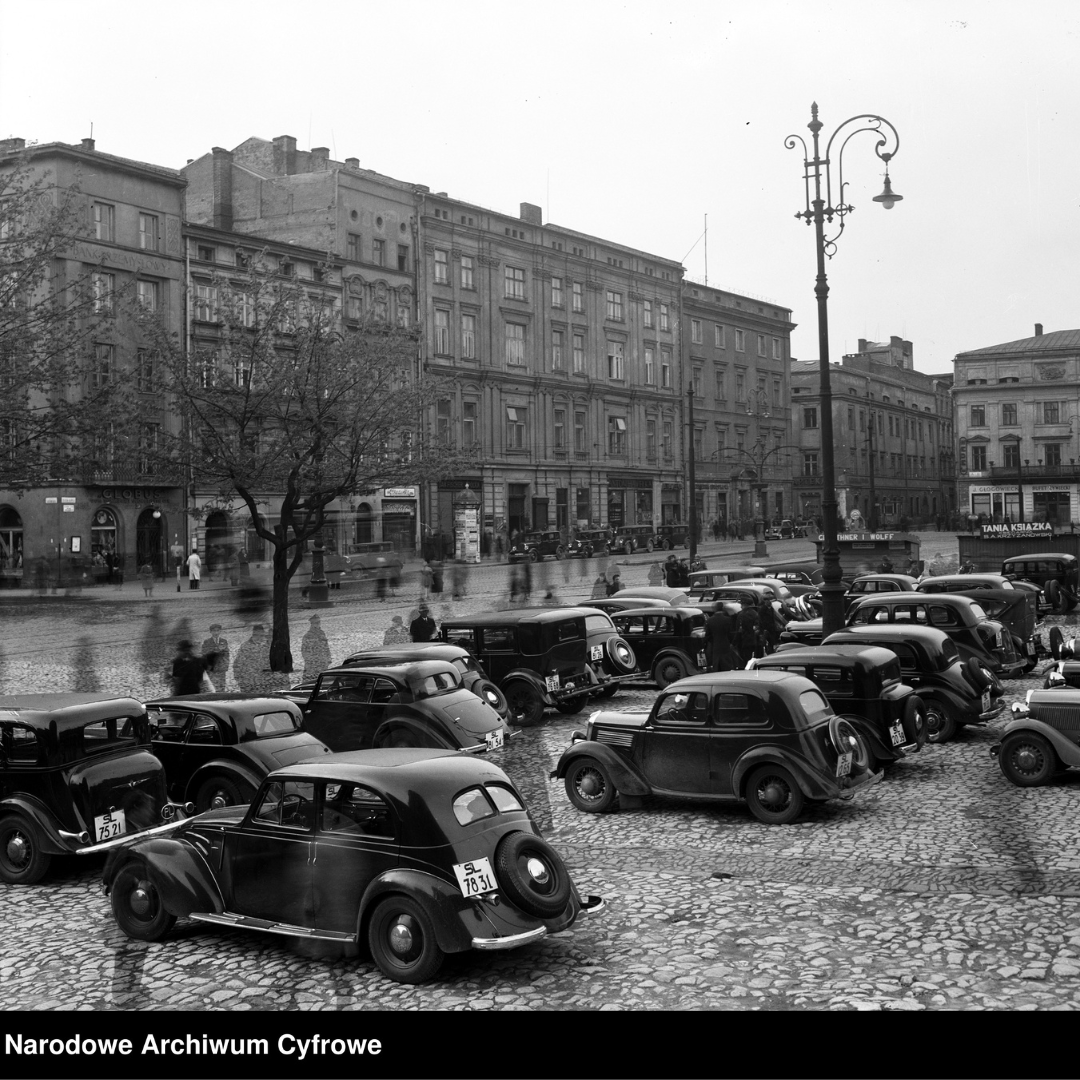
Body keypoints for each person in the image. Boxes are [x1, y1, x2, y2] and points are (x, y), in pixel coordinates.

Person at [233, 624, 271, 693]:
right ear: (253, 634)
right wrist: (240, 682)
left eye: (261, 636)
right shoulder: (245, 647)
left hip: (264, 686)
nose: (259, 638)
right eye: (256, 635)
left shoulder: (267, 647)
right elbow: (237, 665)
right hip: (249, 686)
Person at [200, 623, 231, 691]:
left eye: (218, 630)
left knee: (222, 685)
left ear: (220, 631)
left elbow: (227, 654)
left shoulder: (224, 641)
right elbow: (204, 654)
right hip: (212, 668)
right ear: (210, 632)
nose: (216, 633)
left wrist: (226, 665)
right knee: (213, 686)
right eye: (214, 631)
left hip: (221, 668)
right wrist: (216, 650)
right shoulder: (207, 642)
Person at [705, 606, 736, 671]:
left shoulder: (710, 620)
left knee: (716, 664)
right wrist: (731, 642)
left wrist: (712, 642)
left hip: (715, 646)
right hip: (726, 645)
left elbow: (707, 635)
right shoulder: (728, 620)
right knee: (726, 664)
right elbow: (731, 633)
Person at [301, 614, 332, 679]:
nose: (318, 624)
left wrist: (328, 658)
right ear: (312, 624)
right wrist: (310, 661)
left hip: (323, 663)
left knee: (322, 681)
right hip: (312, 665)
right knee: (311, 682)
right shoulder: (308, 636)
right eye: (316, 622)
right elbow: (304, 650)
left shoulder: (322, 633)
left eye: (319, 622)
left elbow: (326, 647)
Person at [734, 597, 761, 665]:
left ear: (745, 604)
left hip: (744, 641)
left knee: (745, 660)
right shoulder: (755, 613)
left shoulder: (741, 615)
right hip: (754, 641)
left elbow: (739, 630)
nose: (741, 606)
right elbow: (757, 628)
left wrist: (734, 642)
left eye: (742, 604)